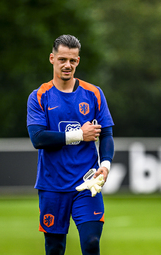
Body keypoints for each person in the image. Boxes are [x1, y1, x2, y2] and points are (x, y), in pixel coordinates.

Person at [27, 34, 114, 255]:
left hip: (87, 183)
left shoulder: (93, 93)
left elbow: (107, 133)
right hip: (52, 186)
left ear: (78, 61)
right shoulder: (39, 96)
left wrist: (106, 164)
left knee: (92, 242)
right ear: (52, 58)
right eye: (63, 59)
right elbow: (38, 138)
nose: (68, 65)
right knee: (55, 248)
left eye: (73, 60)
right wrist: (79, 135)